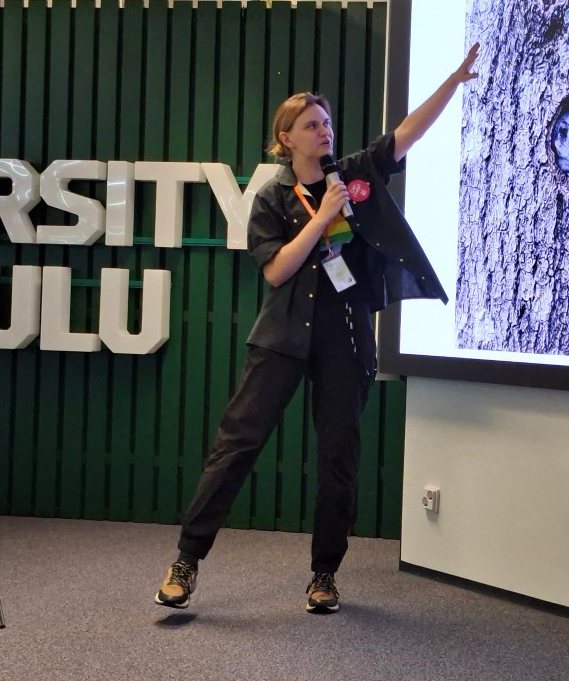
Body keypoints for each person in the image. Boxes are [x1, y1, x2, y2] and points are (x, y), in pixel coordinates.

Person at [154, 43, 480, 614]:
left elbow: (408, 133)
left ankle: (324, 575)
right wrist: (324, 216)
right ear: (287, 139)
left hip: (346, 338)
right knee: (237, 446)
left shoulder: (355, 174)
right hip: (281, 336)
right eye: (311, 124)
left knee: (338, 457)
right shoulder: (272, 198)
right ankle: (187, 559)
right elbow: (278, 269)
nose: (323, 130)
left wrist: (453, 82)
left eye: (326, 122)